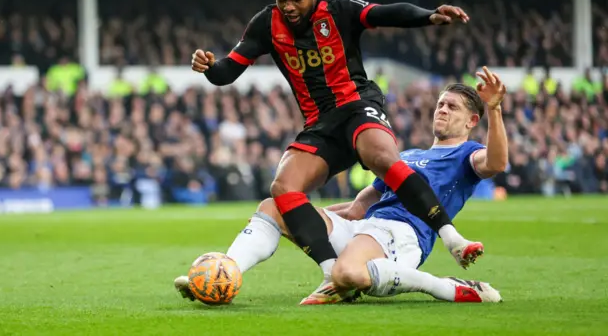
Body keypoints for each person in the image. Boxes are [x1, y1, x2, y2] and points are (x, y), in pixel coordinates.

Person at [191, 0, 483, 302]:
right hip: (320, 125)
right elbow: (227, 71)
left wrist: (429, 16)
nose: (289, 7)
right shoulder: (266, 24)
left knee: (381, 158)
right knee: (282, 189)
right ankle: (332, 275)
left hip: (357, 104)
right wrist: (209, 66)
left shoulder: (339, 8)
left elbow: (385, 13)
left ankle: (450, 236)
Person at [176, 72, 508, 305]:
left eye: (453, 107)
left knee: (347, 273)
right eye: (441, 103)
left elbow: (496, 163)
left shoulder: (466, 154)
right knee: (273, 207)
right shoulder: (407, 156)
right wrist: (301, 214)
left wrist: (493, 108)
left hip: (401, 236)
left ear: (471, 121)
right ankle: (224, 274)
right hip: (365, 227)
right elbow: (357, 207)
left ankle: (447, 288)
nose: (443, 109)